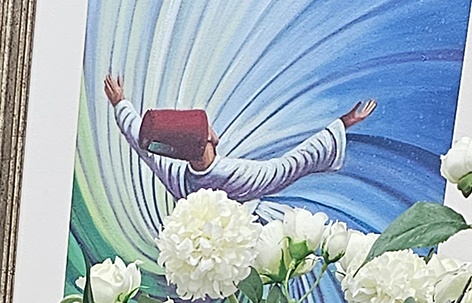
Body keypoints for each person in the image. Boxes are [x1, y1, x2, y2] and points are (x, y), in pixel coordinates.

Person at [103, 73, 376, 205]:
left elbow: (142, 143)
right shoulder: (235, 175)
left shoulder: (177, 174)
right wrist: (341, 124)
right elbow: (289, 166)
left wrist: (120, 103)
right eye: (208, 127)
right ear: (207, 140)